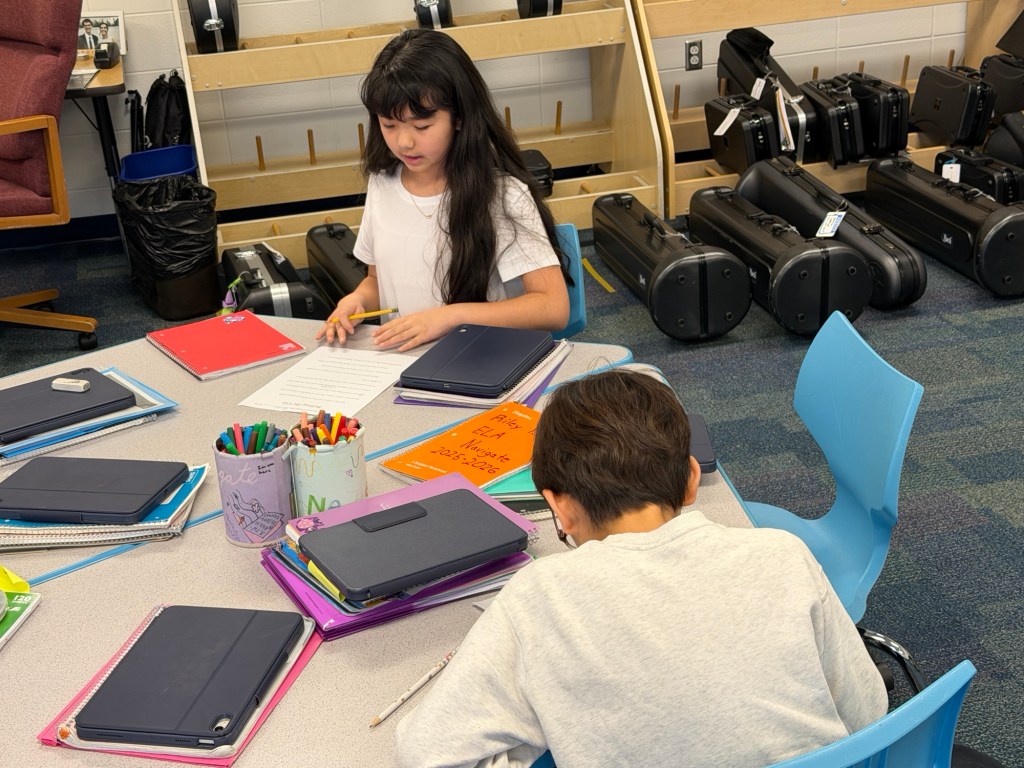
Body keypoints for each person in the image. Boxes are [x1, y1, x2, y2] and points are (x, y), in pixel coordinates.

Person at [396, 370, 889, 768]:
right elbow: (868, 712)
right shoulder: (783, 554)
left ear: (559, 507)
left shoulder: (537, 596)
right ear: (692, 480)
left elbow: (426, 753)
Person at [315, 29, 569, 353]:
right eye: (389, 125)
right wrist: (357, 300)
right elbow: (378, 281)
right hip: (402, 362)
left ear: (459, 118)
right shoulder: (382, 184)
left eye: (422, 127)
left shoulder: (502, 195)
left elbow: (553, 307)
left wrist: (450, 317)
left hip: (476, 358)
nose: (404, 142)